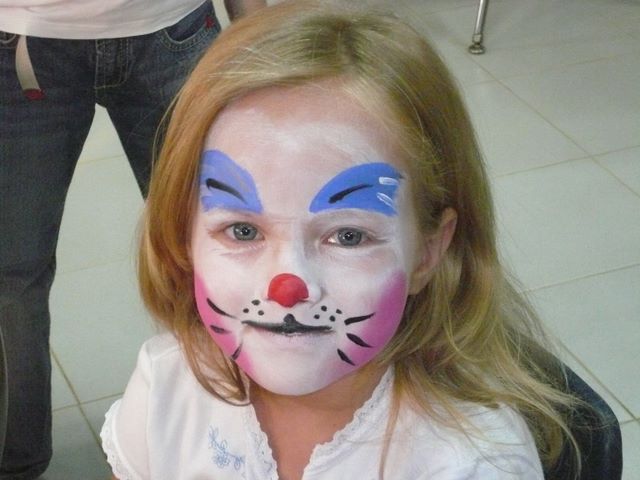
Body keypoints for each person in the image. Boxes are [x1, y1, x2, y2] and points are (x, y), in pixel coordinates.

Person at [100, 1, 583, 478]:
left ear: (428, 251)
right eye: (243, 231)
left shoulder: (469, 465)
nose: (287, 287)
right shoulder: (166, 389)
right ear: (182, 236)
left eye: (348, 236)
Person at [0, 0, 265, 478]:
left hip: (172, 27)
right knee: (10, 278)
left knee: (231, 252)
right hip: (21, 36)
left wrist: (261, 29)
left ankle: (239, 446)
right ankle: (15, 461)